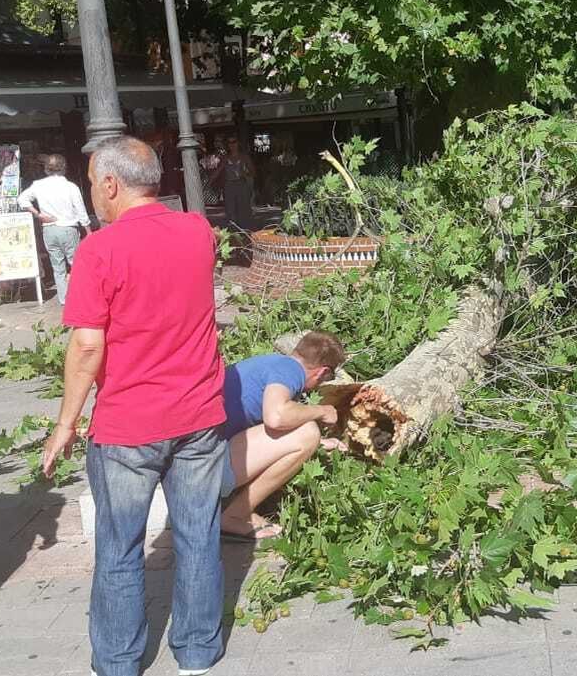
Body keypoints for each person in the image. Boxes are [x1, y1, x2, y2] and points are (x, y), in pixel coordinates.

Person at [40, 136, 227, 676]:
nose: (92, 194)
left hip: (128, 426)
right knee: (198, 536)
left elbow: (86, 344)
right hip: (199, 417)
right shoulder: (197, 231)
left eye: (93, 181)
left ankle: (120, 662)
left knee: (120, 549)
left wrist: (65, 424)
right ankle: (196, 652)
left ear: (110, 184)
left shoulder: (100, 249)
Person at [220, 331, 347, 541]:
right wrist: (322, 411)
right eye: (329, 377)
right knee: (308, 432)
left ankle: (227, 508)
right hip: (207, 468)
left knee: (310, 436)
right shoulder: (290, 372)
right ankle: (234, 515)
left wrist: (320, 444)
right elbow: (276, 418)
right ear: (322, 372)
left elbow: (268, 431)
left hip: (195, 458)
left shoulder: (270, 363)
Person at [18, 153, 91, 305]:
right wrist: (88, 231)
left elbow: (22, 199)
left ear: (47, 169)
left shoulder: (38, 185)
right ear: (64, 168)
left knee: (57, 267)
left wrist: (38, 215)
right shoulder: (71, 187)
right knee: (76, 264)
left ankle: (64, 299)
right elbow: (81, 211)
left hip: (49, 230)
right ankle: (80, 296)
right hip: (68, 229)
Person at [222, 135, 256, 232]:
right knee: (230, 210)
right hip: (229, 185)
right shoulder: (225, 158)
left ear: (238, 143)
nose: (232, 145)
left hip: (241, 184)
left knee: (244, 210)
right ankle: (233, 233)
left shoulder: (244, 157)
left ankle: (246, 232)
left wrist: (245, 173)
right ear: (227, 145)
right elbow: (218, 171)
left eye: (234, 142)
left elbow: (253, 172)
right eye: (229, 142)